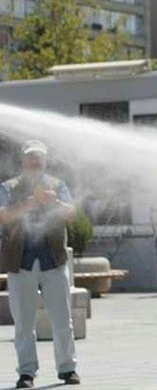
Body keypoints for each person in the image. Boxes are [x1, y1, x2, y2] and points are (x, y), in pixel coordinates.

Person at [0, 140, 80, 388]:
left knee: (62, 320)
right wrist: (30, 203)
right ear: (23, 161)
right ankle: (26, 373)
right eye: (30, 157)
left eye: (38, 157)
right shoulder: (8, 187)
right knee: (23, 323)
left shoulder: (58, 186)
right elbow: (2, 216)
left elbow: (72, 214)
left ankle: (68, 369)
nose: (34, 161)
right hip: (21, 263)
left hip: (53, 262)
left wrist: (53, 202)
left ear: (45, 160)